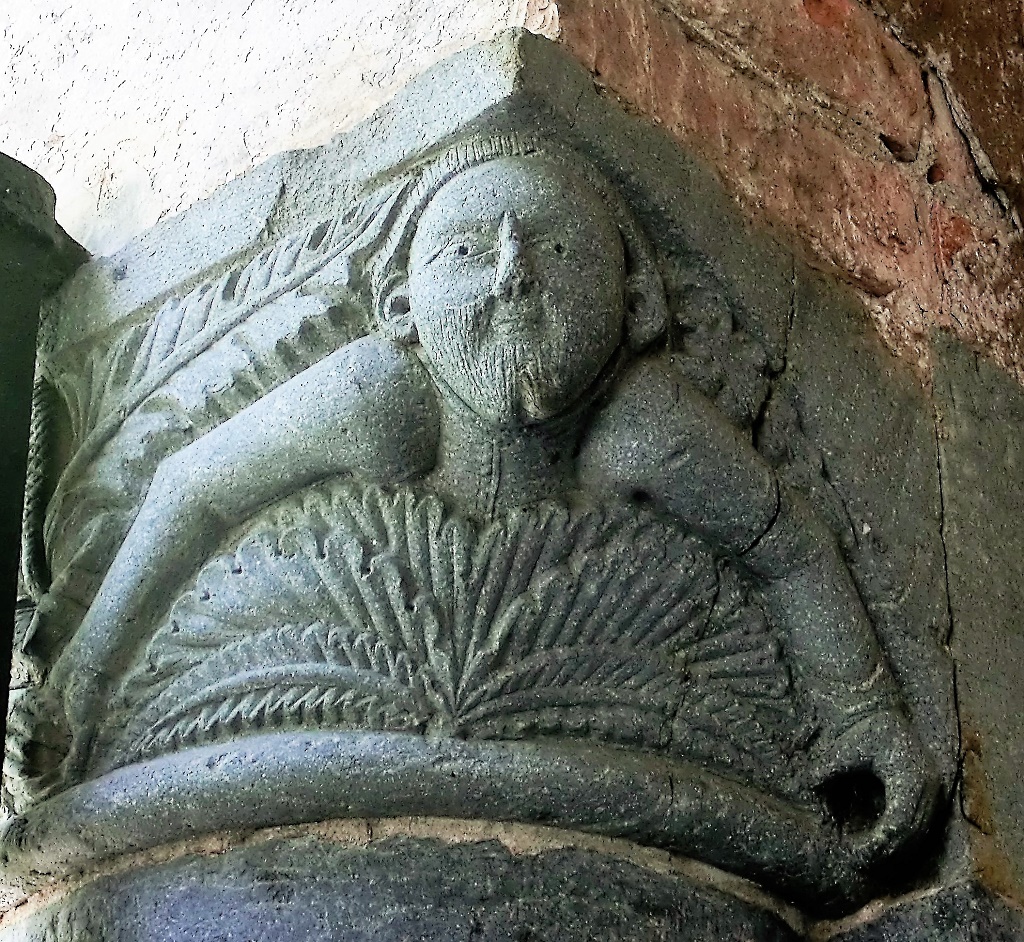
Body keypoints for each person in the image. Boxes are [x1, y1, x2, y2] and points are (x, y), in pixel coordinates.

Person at [48, 135, 937, 864]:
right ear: (400, 305)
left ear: (635, 307)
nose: (513, 275)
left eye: (559, 250)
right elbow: (194, 486)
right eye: (467, 251)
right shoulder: (377, 398)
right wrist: (82, 679)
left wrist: (862, 714)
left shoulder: (643, 425)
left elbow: (786, 545)